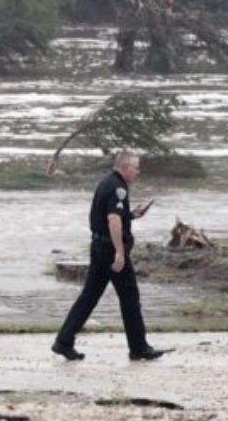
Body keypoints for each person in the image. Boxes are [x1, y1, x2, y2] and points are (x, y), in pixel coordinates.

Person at [51, 151, 169, 362]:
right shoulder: (119, 188)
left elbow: (114, 215)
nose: (138, 172)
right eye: (135, 167)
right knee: (130, 297)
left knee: (89, 296)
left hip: (99, 246)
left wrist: (132, 214)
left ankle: (64, 341)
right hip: (110, 250)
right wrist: (119, 253)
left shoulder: (107, 182)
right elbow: (113, 220)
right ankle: (139, 347)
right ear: (124, 167)